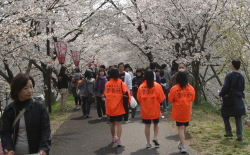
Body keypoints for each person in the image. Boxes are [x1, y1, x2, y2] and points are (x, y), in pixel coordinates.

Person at [1, 73, 51, 155]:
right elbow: (5, 132)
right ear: (17, 89)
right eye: (25, 88)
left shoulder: (39, 107)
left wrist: (44, 149)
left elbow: (45, 130)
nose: (30, 91)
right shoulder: (10, 110)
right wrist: (8, 149)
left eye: (31, 87)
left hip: (36, 153)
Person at [168, 71, 195, 153]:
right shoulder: (190, 88)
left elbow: (171, 99)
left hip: (178, 110)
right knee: (185, 127)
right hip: (187, 109)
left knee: (180, 127)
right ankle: (181, 143)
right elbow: (192, 98)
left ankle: (183, 146)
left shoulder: (174, 88)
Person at [219, 60, 246, 141]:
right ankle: (239, 135)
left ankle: (228, 131)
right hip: (238, 97)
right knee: (238, 116)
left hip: (229, 98)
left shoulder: (229, 75)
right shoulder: (242, 76)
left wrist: (221, 93)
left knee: (225, 114)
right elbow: (243, 88)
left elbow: (226, 86)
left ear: (233, 65)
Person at [137, 71, 165, 148]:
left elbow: (139, 99)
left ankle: (148, 142)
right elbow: (161, 98)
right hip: (155, 108)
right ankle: (155, 137)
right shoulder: (157, 86)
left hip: (145, 109)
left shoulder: (141, 86)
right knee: (156, 123)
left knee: (147, 125)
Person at [104, 69, 131, 147]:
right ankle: (119, 140)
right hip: (119, 107)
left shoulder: (107, 84)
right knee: (119, 123)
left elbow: (105, 93)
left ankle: (113, 137)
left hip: (110, 107)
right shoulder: (121, 83)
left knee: (112, 123)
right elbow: (127, 95)